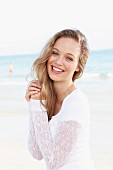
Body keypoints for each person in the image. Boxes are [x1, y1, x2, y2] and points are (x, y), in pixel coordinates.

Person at [25, 29, 97, 170]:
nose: (58, 61)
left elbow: (53, 162)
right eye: (55, 53)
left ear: (78, 66)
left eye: (69, 58)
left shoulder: (76, 102)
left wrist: (36, 106)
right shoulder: (48, 97)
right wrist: (34, 102)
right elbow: (37, 152)